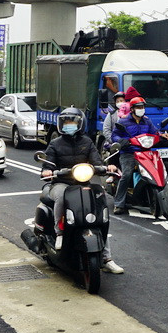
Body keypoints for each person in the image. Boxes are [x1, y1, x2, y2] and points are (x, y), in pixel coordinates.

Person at [40, 107, 123, 274]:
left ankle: (106, 257)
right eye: (66, 122)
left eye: (73, 122)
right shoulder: (55, 143)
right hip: (61, 182)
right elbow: (47, 164)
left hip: (83, 182)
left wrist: (107, 167)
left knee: (102, 200)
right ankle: (60, 232)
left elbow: (97, 161)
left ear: (81, 124)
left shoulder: (87, 142)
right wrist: (48, 171)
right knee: (62, 197)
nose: (69, 125)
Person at [110, 96, 159, 216]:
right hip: (129, 153)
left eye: (142, 107)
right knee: (126, 175)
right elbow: (114, 135)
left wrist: (162, 136)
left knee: (155, 173)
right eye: (138, 107)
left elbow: (155, 132)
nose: (141, 109)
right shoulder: (123, 122)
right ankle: (119, 203)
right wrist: (122, 141)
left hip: (145, 152)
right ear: (132, 109)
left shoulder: (147, 121)